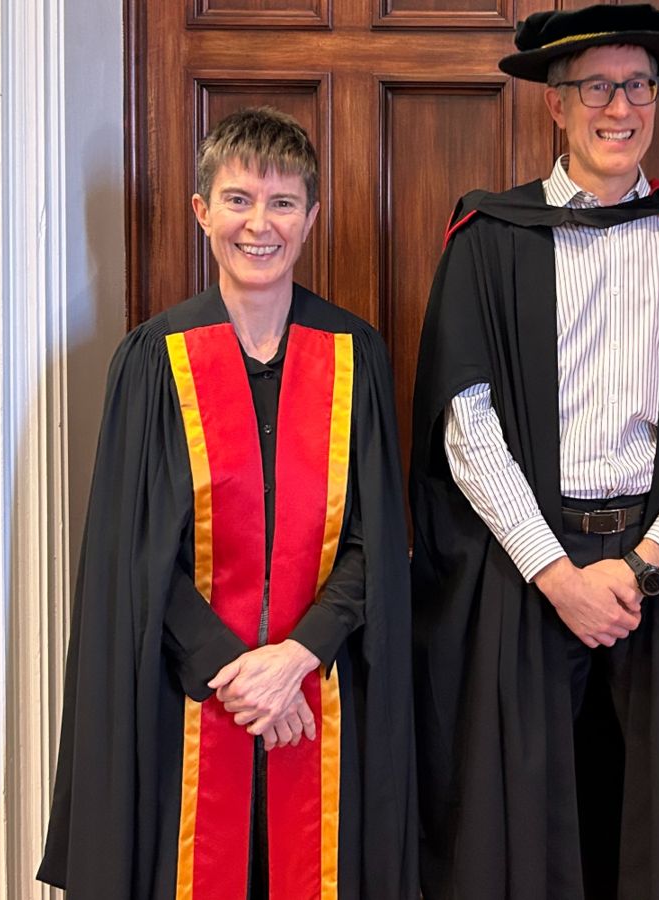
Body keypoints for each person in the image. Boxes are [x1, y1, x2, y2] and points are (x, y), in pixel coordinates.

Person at [408, 5, 659, 898]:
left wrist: (650, 563)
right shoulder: (489, 239)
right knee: (527, 830)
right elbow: (467, 424)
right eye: (597, 87)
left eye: (639, 86)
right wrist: (557, 574)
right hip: (528, 571)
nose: (621, 107)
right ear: (556, 103)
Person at [38, 107, 418, 900]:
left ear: (312, 218)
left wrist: (297, 657)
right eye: (239, 198)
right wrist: (233, 675)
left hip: (325, 696)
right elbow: (135, 550)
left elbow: (375, 540)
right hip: (188, 698)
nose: (260, 224)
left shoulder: (355, 356)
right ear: (202, 211)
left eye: (283, 203)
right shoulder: (154, 360)